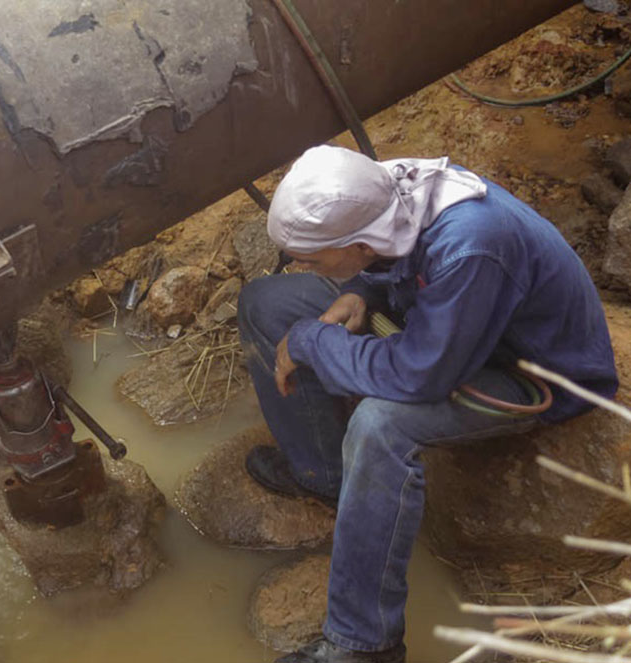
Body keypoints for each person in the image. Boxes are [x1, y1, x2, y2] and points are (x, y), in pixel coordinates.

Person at [237, 145, 618, 663]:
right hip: (452, 325)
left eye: (313, 258)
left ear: (362, 243)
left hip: (529, 371)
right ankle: (328, 479)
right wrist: (365, 293)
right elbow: (394, 269)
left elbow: (419, 378)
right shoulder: (390, 189)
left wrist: (312, 343)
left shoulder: (471, 245)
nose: (302, 267)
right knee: (268, 302)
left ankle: (363, 643)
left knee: (380, 426)